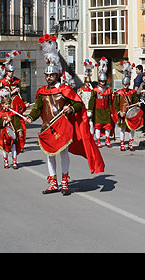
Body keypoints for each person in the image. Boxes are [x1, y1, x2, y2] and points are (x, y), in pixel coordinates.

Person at [26, 34, 104, 195]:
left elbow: (77, 103)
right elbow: (37, 109)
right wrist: (30, 117)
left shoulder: (65, 90)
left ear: (57, 76)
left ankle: (64, 180)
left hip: (63, 126)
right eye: (47, 76)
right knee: (49, 154)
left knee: (63, 153)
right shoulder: (42, 92)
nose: (49, 78)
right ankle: (53, 181)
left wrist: (70, 109)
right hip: (48, 126)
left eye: (51, 75)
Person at [0, 64, 27, 170]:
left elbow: (20, 95)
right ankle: (6, 161)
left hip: (14, 106)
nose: (12, 74)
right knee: (5, 143)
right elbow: (2, 94)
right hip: (5, 108)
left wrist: (23, 103)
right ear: (6, 72)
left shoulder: (17, 81)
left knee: (15, 140)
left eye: (12, 72)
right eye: (10, 72)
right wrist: (11, 92)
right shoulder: (2, 82)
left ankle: (15, 160)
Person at [112, 62, 143, 151]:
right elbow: (116, 104)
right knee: (122, 129)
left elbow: (135, 101)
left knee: (132, 129)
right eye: (124, 84)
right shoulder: (118, 93)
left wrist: (137, 104)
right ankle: (122, 144)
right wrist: (119, 112)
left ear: (129, 84)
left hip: (130, 113)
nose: (125, 86)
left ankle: (130, 143)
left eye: (127, 84)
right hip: (122, 113)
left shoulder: (132, 92)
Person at [88, 57, 114, 147]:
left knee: (108, 125)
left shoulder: (109, 90)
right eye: (101, 81)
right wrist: (90, 110)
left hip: (106, 110)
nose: (103, 83)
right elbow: (91, 101)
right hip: (98, 110)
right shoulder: (95, 90)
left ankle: (107, 140)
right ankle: (98, 141)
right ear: (99, 81)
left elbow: (110, 102)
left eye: (104, 81)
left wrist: (111, 111)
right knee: (98, 125)